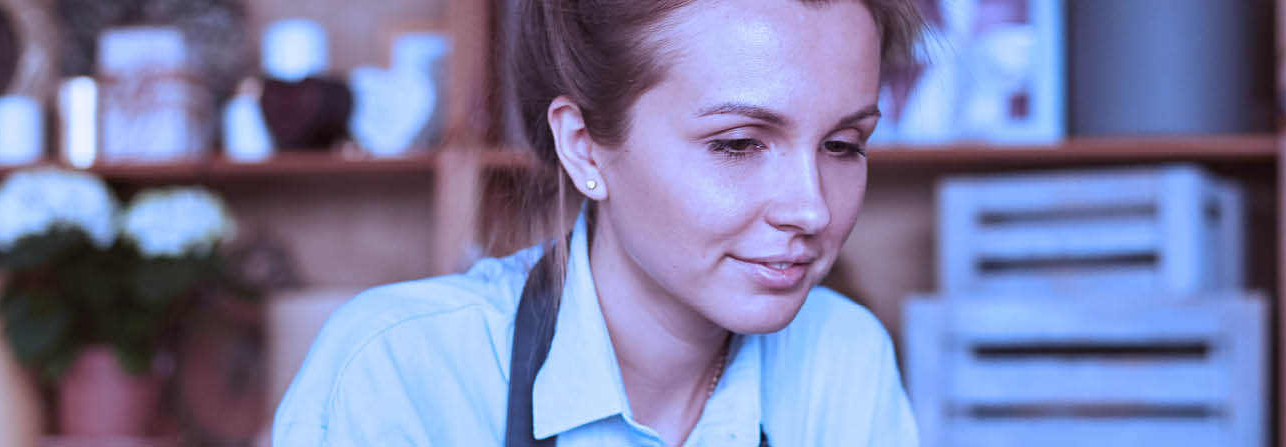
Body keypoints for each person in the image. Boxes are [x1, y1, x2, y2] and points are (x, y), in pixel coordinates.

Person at [272, 0, 925, 445]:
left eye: (843, 145)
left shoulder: (844, 357)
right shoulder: (399, 370)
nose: (812, 208)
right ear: (584, 145)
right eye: (737, 143)